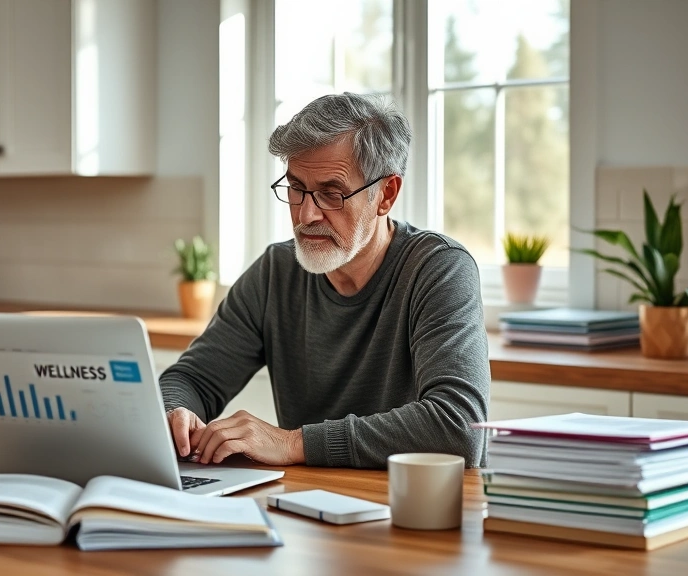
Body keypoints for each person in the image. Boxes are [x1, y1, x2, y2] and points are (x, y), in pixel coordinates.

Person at [159, 92, 489, 469]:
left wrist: (292, 443)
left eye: (332, 194)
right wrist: (176, 413)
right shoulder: (275, 272)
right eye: (296, 188)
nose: (306, 214)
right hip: (306, 504)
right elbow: (193, 378)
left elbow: (459, 427)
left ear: (386, 194)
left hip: (413, 509)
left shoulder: (439, 269)